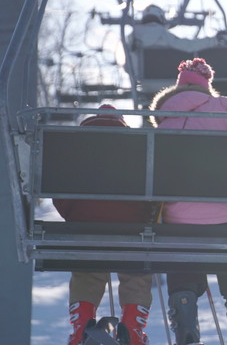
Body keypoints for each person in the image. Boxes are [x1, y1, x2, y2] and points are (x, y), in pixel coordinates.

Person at [149, 58, 227, 345]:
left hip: (178, 222)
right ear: (206, 87)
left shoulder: (163, 123)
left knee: (182, 262)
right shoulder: (225, 109)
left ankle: (185, 322)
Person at [53, 105, 156, 345]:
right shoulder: (138, 148)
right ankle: (132, 327)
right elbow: (152, 194)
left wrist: (74, 216)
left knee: (86, 270)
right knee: (136, 271)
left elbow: (58, 193)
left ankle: (81, 326)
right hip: (131, 228)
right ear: (122, 124)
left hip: (84, 227)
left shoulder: (73, 150)